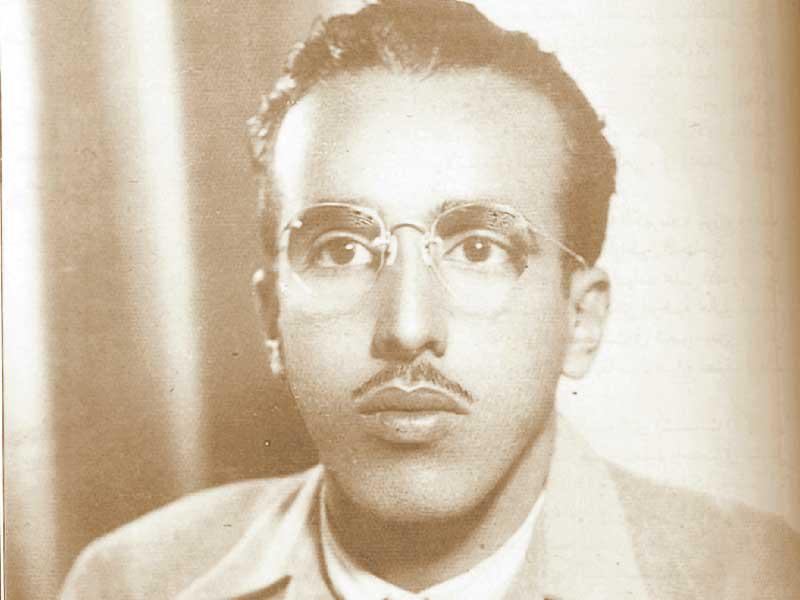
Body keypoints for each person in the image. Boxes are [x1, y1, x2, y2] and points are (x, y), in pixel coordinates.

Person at [61, 1, 799, 598]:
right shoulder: (128, 584)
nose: (408, 327)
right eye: (341, 250)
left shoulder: (757, 580)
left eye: (479, 249)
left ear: (580, 321)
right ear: (272, 319)